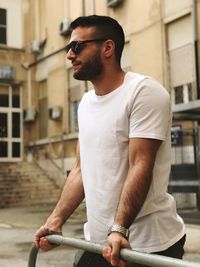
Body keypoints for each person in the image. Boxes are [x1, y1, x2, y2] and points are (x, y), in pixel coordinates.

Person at [34, 15, 186, 267]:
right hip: (98, 243)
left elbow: (140, 164)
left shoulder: (143, 92)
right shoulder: (85, 103)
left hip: (146, 246)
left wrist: (119, 229)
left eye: (76, 46)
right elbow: (81, 170)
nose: (70, 55)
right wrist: (55, 220)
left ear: (107, 48)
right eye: (68, 48)